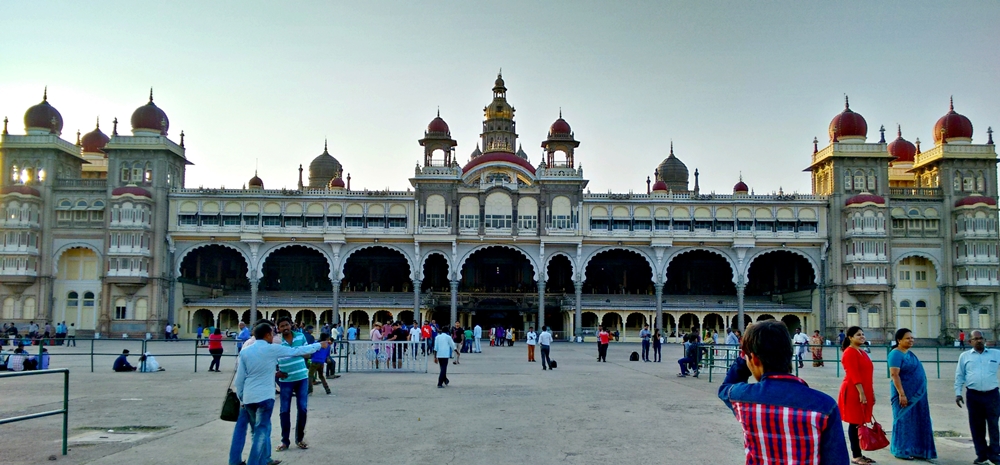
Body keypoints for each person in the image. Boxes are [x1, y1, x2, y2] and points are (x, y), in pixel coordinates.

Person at [718, 320, 849, 465]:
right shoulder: (825, 406)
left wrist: (744, 359)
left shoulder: (744, 400)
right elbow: (837, 460)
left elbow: (726, 388)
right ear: (790, 352)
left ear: (754, 359)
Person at [234, 322, 327, 465]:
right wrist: (319, 345)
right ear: (266, 335)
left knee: (256, 432)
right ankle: (255, 462)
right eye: (272, 333)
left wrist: (241, 397)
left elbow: (239, 379)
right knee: (261, 432)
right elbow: (296, 351)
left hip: (249, 397)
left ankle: (261, 460)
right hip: (265, 397)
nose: (274, 336)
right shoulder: (272, 349)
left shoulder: (245, 352)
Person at [887, 328, 936, 460]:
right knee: (904, 421)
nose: (911, 340)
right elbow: (894, 375)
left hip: (918, 395)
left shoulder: (909, 354)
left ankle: (917, 449)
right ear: (899, 340)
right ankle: (901, 450)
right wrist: (902, 394)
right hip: (904, 395)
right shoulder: (895, 354)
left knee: (917, 421)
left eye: (912, 338)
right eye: (908, 338)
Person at [956, 329, 1000, 465]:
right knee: (977, 426)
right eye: (976, 339)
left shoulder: (996, 354)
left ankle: (995, 455)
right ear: (970, 342)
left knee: (993, 426)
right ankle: (981, 455)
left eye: (981, 338)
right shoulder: (964, 356)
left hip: (992, 395)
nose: (979, 340)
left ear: (985, 340)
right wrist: (958, 393)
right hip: (974, 396)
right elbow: (959, 376)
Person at [838, 326, 875, 465]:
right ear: (850, 337)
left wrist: (871, 392)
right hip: (854, 390)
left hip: (863, 390)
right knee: (854, 422)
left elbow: (867, 374)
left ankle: (859, 453)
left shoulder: (862, 352)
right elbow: (854, 374)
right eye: (858, 335)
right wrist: (861, 393)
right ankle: (856, 455)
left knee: (860, 422)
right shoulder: (849, 353)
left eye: (863, 334)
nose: (862, 336)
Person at [275, 316, 311, 451]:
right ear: (278, 329)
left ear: (291, 325)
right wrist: (275, 372)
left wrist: (297, 352)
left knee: (302, 408)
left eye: (286, 325)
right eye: (282, 326)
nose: (285, 328)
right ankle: (285, 441)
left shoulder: (300, 336)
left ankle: (300, 438)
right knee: (284, 410)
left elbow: (307, 353)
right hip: (286, 380)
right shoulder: (277, 341)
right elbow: (271, 358)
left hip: (302, 377)